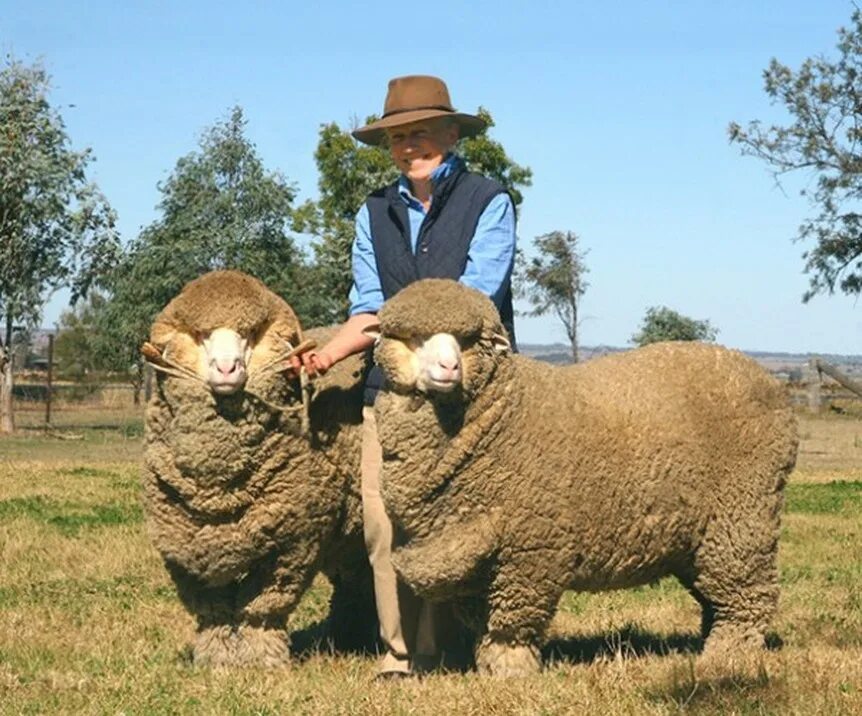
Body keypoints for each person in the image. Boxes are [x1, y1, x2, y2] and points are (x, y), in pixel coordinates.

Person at [298, 75, 517, 677]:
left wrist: (408, 328)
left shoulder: (488, 200)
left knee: (452, 523)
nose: (409, 144)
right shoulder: (375, 212)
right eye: (398, 135)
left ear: (452, 133)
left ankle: (444, 647)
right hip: (389, 394)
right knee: (381, 521)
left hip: (466, 393)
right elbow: (368, 305)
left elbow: (477, 299)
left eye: (421, 131)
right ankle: (398, 653)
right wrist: (323, 356)